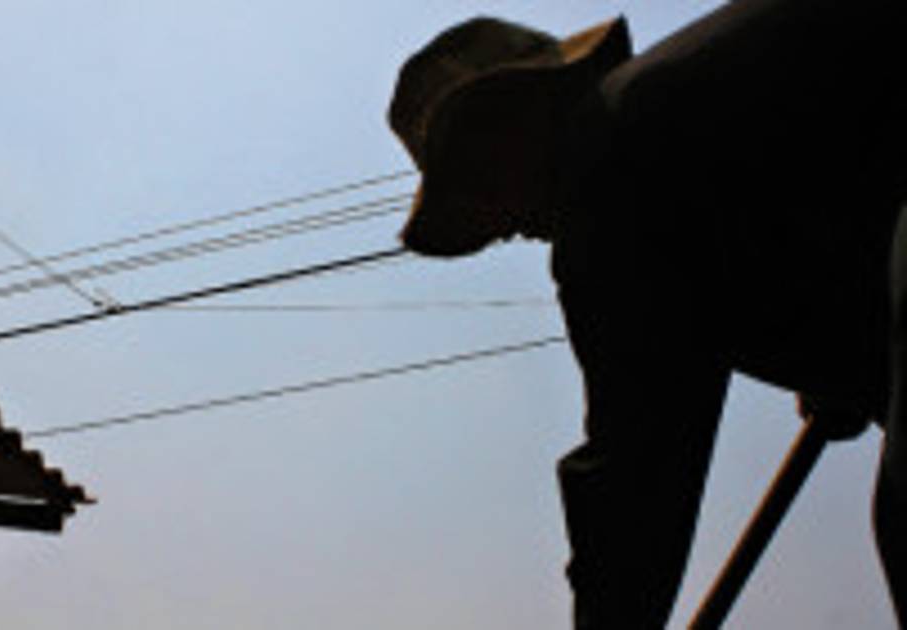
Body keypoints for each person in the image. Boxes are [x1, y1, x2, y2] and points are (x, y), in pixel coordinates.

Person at [387, 0, 907, 626]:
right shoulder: (670, 132)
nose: (497, 226)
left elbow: (635, 478)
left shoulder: (609, 165)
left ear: (520, 112)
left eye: (473, 176)